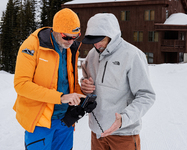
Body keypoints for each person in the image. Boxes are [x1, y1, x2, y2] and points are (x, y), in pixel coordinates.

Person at [13, 8, 86, 150]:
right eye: (67, 37)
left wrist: (82, 97)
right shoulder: (33, 45)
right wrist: (60, 97)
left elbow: (68, 82)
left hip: (65, 120)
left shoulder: (70, 49)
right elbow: (21, 84)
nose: (71, 41)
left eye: (75, 37)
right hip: (39, 121)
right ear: (56, 31)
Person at [81, 13, 156, 150]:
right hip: (97, 132)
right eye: (93, 40)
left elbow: (146, 95)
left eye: (100, 39)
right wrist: (84, 86)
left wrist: (123, 119)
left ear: (112, 34)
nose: (96, 45)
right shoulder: (92, 55)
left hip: (124, 134)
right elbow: (85, 80)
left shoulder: (132, 55)